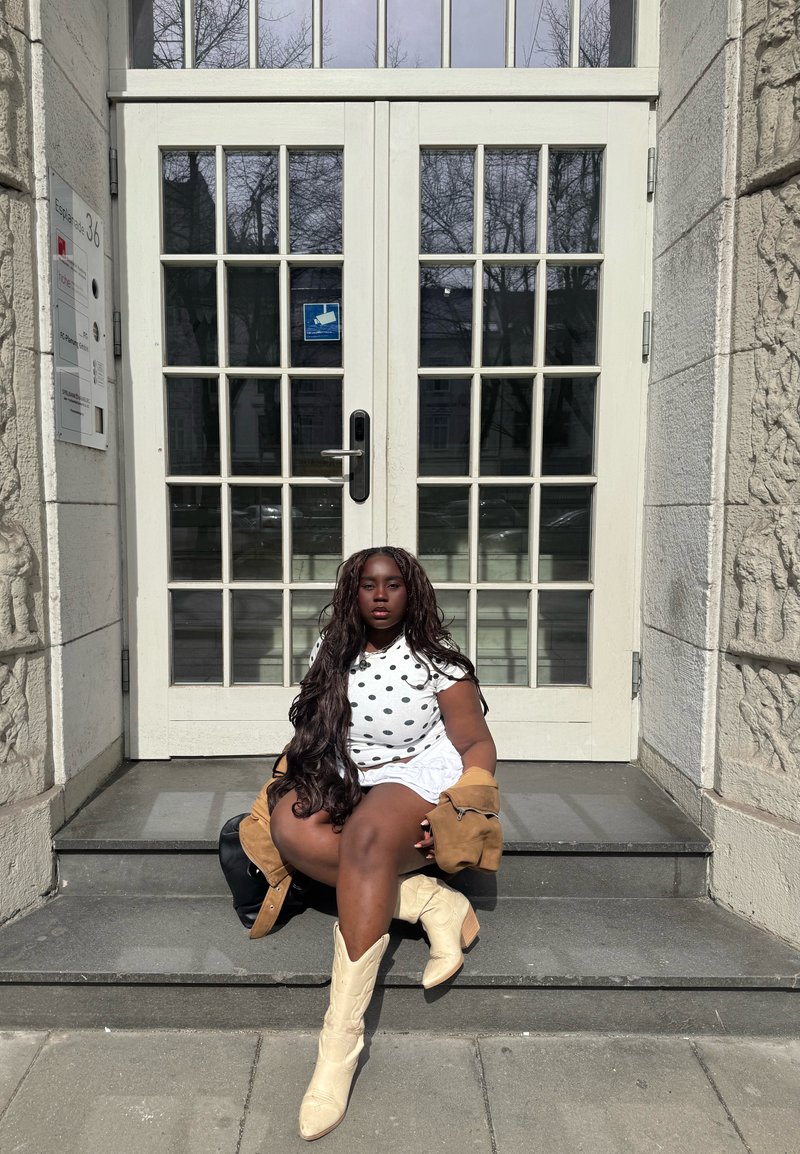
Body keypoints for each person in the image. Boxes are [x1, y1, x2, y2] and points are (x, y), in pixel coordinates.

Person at [269, 545, 497, 1141]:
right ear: (351, 592)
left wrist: (463, 801)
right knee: (289, 825)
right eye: (368, 584)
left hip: (418, 775)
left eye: (392, 584)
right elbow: (312, 733)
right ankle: (431, 902)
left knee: (368, 837)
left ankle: (336, 1051)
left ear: (410, 591)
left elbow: (475, 744)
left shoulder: (438, 662)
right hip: (351, 776)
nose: (379, 595)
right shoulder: (331, 653)